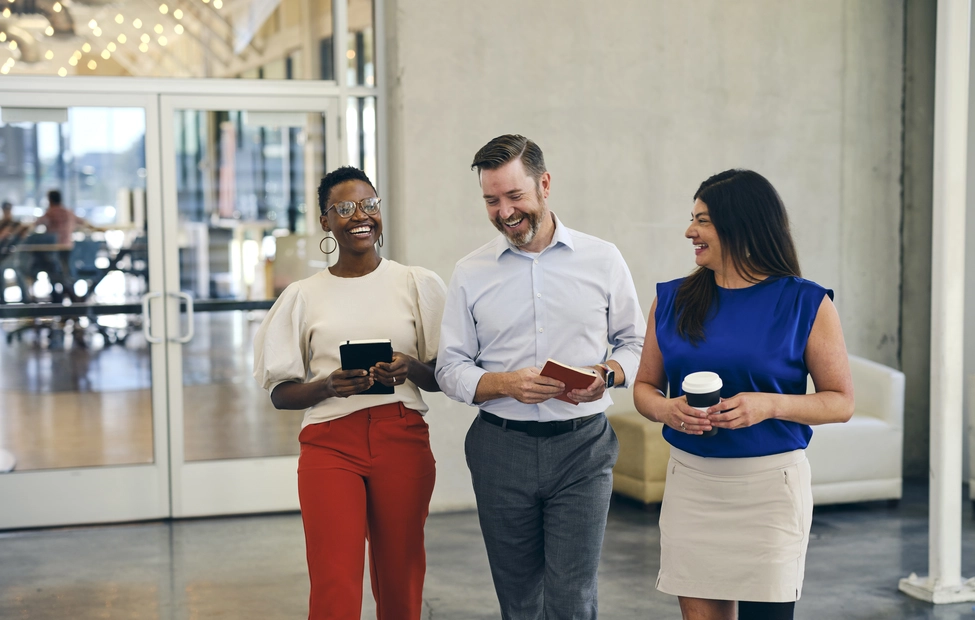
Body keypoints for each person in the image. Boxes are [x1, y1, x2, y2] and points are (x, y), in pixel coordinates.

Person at [436, 134, 645, 619]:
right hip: (500, 450)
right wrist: (505, 384)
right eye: (492, 200)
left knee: (572, 599)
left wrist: (607, 375)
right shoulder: (470, 272)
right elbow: (450, 368)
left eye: (515, 196)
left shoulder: (603, 258)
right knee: (519, 600)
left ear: (545, 184)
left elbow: (636, 344)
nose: (505, 211)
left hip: (583, 449)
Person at [633, 169, 855, 620]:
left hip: (771, 492)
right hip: (691, 486)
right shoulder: (671, 299)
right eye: (692, 218)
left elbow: (840, 401)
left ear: (744, 225)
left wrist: (769, 404)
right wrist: (667, 410)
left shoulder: (806, 303)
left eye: (704, 220)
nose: (689, 231)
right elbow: (644, 389)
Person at [252, 166, 446, 620]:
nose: (360, 215)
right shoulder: (303, 295)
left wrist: (411, 366)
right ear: (325, 221)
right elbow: (280, 393)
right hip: (329, 443)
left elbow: (443, 376)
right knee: (334, 580)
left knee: (400, 577)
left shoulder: (416, 283)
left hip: (402, 436)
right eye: (344, 208)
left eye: (369, 204)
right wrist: (327, 386)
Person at [31, 190, 103, 302]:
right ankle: (72, 299)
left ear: (49, 200)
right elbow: (85, 222)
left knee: (55, 272)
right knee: (65, 272)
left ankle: (63, 299)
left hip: (53, 249)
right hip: (68, 248)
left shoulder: (50, 213)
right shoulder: (68, 212)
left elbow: (35, 224)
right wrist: (99, 229)